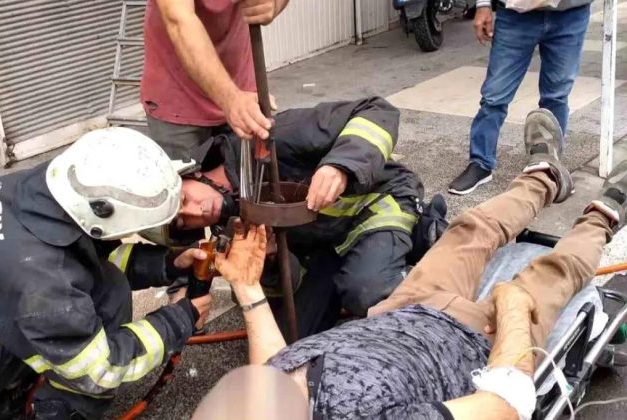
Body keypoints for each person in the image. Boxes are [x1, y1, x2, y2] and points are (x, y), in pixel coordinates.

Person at [213, 108, 627, 419]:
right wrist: (515, 307)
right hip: (477, 337)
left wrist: (248, 290)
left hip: (403, 308)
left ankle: (546, 176)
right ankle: (606, 213)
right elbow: (504, 406)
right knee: (553, 274)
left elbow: (271, 376)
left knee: (472, 228)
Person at [0, 128, 213, 420]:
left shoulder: (38, 189)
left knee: (92, 292)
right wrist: (179, 320)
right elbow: (100, 369)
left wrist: (167, 264)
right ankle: (49, 409)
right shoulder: (38, 279)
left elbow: (80, 260)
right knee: (105, 305)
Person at [165, 97, 426, 329]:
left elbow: (378, 110)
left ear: (190, 174)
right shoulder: (233, 223)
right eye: (183, 222)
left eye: (184, 198)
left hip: (377, 205)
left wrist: (341, 166)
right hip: (327, 245)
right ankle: (373, 259)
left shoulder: (269, 139)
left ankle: (423, 233)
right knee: (291, 340)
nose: (194, 212)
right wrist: (270, 262)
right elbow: (285, 286)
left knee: (365, 292)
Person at [448, 0, 592, 195]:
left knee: (556, 96)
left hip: (570, 13)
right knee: (494, 96)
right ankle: (480, 163)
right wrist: (482, 4)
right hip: (516, 14)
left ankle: (549, 165)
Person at [141, 0, 289, 160]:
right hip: (177, 99)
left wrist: (274, 5)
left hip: (242, 92)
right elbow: (180, 20)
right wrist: (231, 99)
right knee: (185, 182)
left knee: (244, 180)